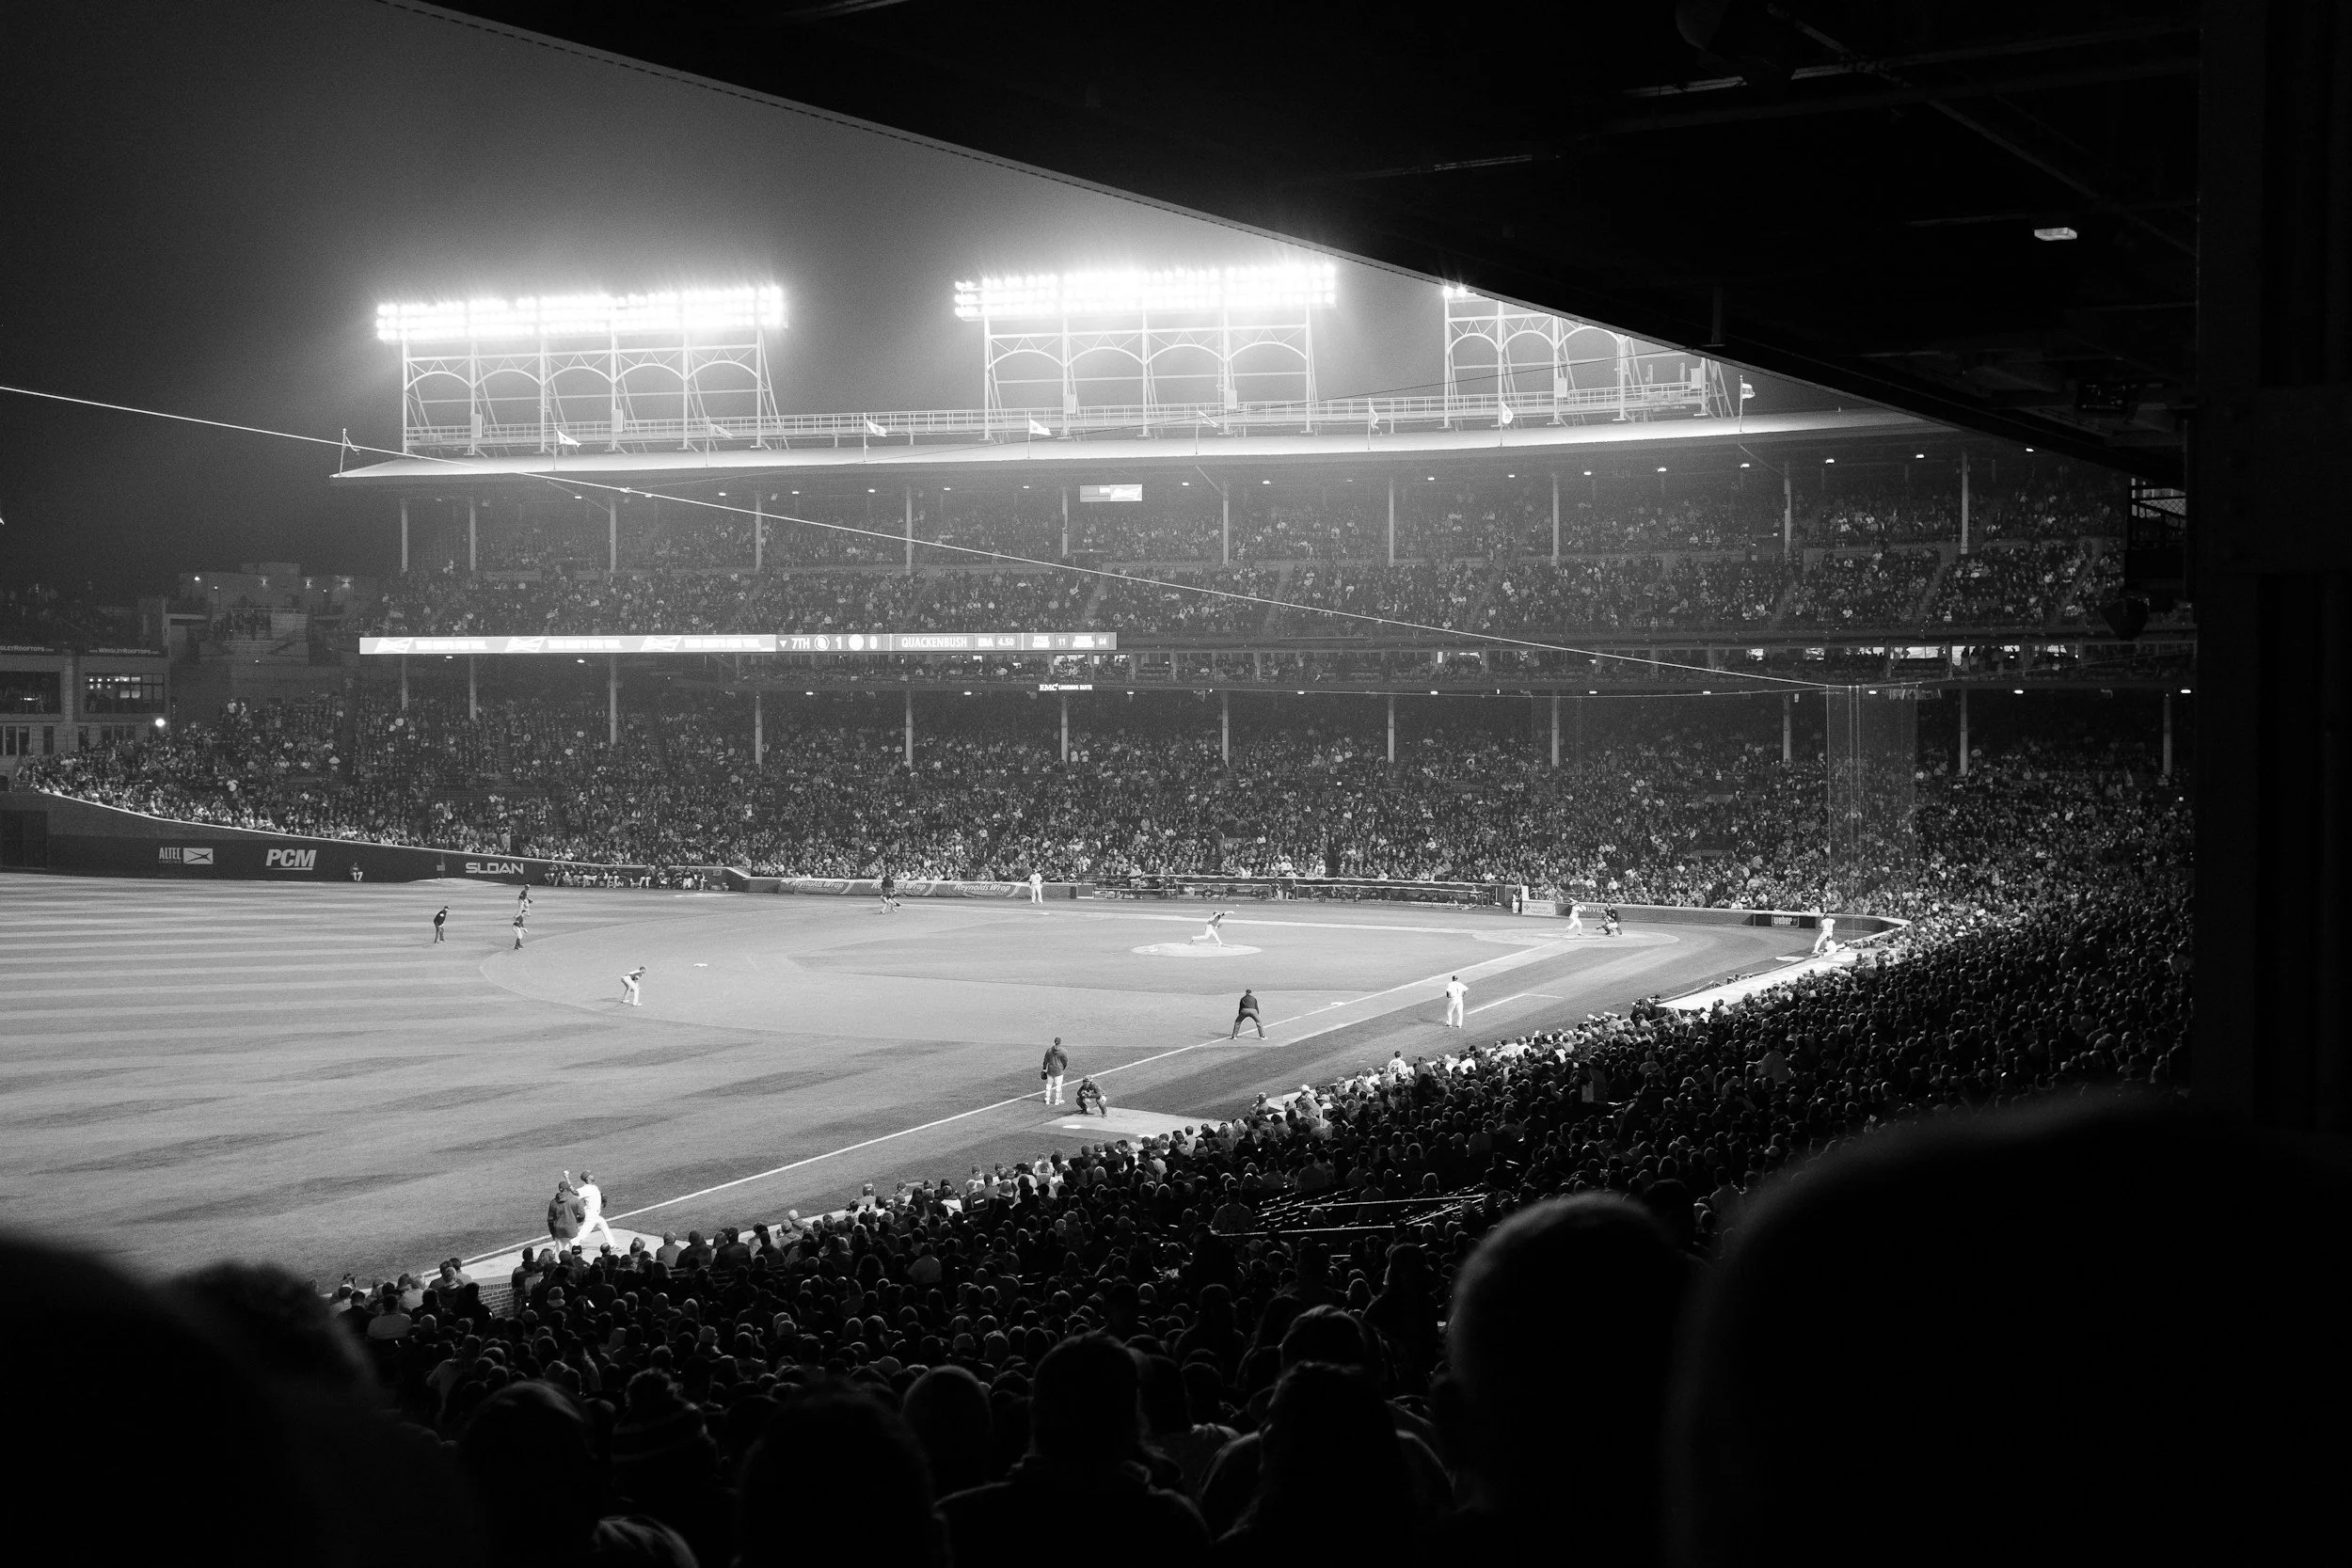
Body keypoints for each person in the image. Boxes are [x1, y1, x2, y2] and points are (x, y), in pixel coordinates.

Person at [572, 1168, 618, 1253]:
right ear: (587, 1178)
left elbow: (598, 1195)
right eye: (590, 1174)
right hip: (591, 1216)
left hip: (595, 1215)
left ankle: (612, 1245)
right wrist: (567, 1178)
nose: (592, 1175)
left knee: (604, 1226)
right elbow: (575, 1192)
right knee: (582, 1235)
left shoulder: (594, 1187)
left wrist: (602, 1199)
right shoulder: (585, 1189)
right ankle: (567, 1246)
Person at [1041, 1037, 1069, 1106]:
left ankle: (1047, 1099)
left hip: (1050, 1070)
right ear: (1060, 1042)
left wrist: (1044, 1069)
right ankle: (1057, 1100)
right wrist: (1063, 1067)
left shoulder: (1049, 1050)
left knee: (1049, 1084)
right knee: (1058, 1085)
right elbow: (1065, 1061)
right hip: (1059, 1070)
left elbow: (1045, 1060)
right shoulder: (1063, 1051)